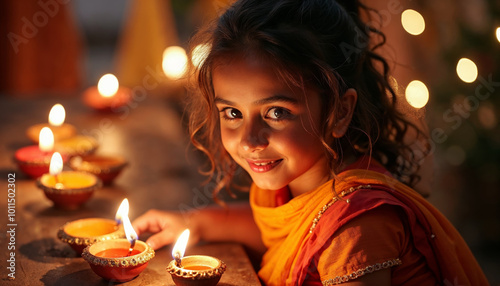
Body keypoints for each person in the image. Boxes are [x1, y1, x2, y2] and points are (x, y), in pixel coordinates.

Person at [133, 0, 489, 284]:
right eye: (232, 113)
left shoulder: (355, 228)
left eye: (276, 112)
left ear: (339, 111)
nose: (250, 139)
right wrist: (195, 222)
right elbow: (276, 232)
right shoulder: (303, 186)